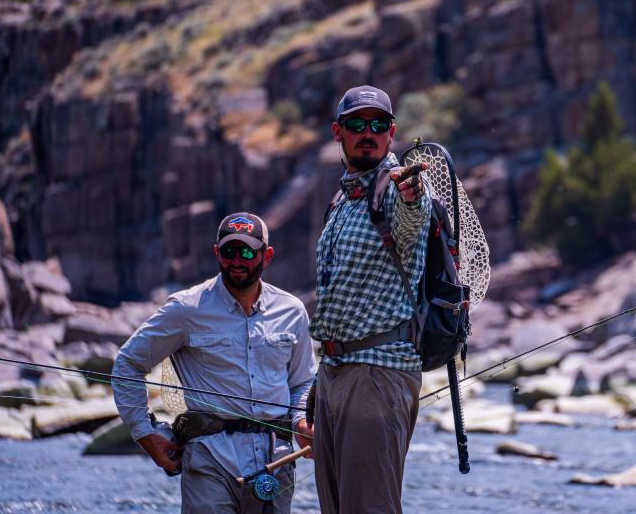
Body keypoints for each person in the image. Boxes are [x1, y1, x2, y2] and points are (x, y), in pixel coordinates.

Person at [112, 213, 315, 514]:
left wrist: (302, 421)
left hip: (277, 463)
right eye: (229, 251)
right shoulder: (185, 308)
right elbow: (128, 364)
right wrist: (145, 434)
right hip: (209, 461)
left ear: (266, 256)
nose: (237, 260)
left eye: (247, 252)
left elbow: (302, 381)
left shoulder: (293, 311)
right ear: (216, 253)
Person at [309, 85, 431, 513]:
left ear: (392, 132)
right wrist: (316, 385)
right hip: (333, 374)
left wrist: (412, 195)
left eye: (378, 124)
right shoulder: (343, 198)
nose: (368, 133)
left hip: (379, 374)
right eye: (356, 125)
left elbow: (411, 216)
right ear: (337, 132)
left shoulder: (398, 188)